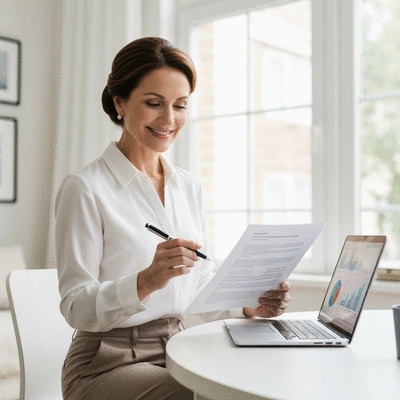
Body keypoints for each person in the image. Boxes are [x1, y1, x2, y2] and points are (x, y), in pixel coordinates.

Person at [55, 37, 292, 400]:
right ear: (119, 102)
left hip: (179, 349)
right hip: (106, 362)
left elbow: (199, 284)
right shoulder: (85, 188)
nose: (169, 120)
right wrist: (147, 280)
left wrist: (248, 304)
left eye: (180, 106)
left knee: (261, 384)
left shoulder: (188, 187)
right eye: (153, 104)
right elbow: (75, 307)